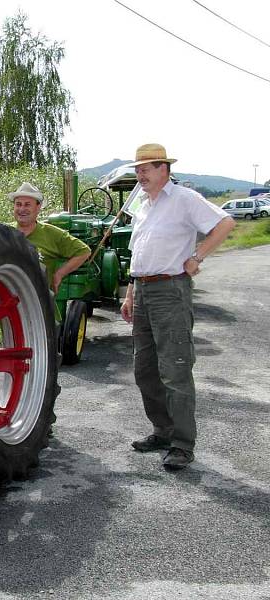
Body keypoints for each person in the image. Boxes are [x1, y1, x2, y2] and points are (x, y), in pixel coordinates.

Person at [120, 143, 234, 470]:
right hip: (142, 290)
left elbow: (224, 224)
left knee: (175, 369)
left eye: (146, 168)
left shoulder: (183, 199)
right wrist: (130, 294)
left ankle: (183, 444)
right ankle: (162, 430)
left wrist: (197, 258)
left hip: (170, 290)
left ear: (164, 169)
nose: (140, 173)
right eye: (138, 169)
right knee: (145, 370)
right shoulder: (143, 205)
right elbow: (138, 255)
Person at [9, 182, 91, 294]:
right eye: (18, 204)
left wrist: (59, 275)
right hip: (6, 302)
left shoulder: (52, 234)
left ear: (38, 208)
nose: (22, 209)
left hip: (39, 304)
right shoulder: (4, 232)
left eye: (27, 204)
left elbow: (84, 251)